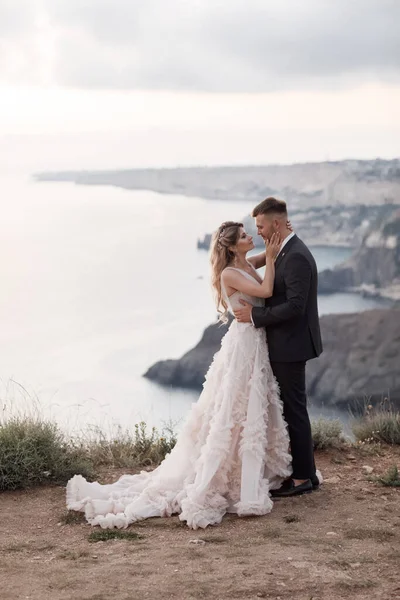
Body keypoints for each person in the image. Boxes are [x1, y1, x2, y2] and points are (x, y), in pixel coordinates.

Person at [66, 221, 292, 529]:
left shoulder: (242, 264)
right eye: (243, 235)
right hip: (244, 347)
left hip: (254, 344)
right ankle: (225, 477)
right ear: (231, 246)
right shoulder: (229, 273)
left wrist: (279, 240)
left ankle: (250, 470)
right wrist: (268, 254)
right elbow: (265, 289)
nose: (249, 236)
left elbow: (267, 261)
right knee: (232, 408)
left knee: (247, 407)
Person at [234, 197, 323, 497]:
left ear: (275, 223)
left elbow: (295, 307)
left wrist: (255, 315)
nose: (257, 231)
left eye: (260, 226)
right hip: (289, 343)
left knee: (294, 410)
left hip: (291, 345)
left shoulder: (295, 255)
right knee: (293, 408)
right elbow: (255, 264)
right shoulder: (285, 249)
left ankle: (301, 479)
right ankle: (307, 473)